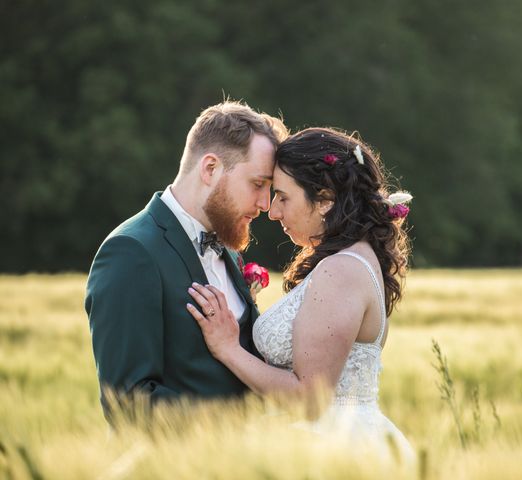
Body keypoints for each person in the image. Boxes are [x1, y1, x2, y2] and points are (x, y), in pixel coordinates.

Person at [186, 127, 415, 460]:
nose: (273, 211)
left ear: (324, 201)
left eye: (283, 197)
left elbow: (310, 400)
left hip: (335, 449)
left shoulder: (341, 270)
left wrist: (228, 349)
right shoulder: (353, 259)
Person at [85, 101, 288, 420]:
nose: (265, 204)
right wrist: (241, 427)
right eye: (258, 184)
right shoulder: (130, 252)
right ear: (210, 168)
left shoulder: (228, 247)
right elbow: (128, 402)